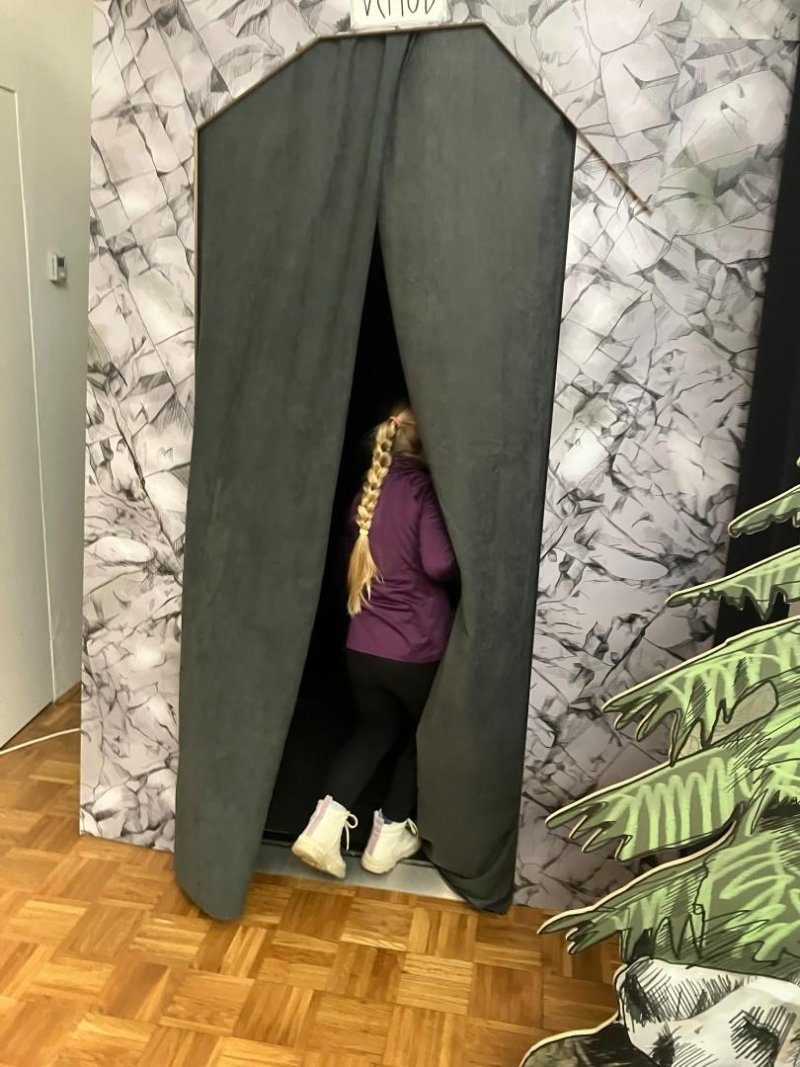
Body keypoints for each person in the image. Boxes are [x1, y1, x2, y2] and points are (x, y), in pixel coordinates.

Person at [292, 403, 458, 878]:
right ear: (427, 442)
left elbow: (352, 562)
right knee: (421, 737)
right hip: (416, 648)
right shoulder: (421, 490)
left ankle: (320, 832)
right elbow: (439, 564)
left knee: (374, 730)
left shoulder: (368, 494)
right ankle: (386, 841)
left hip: (363, 646)